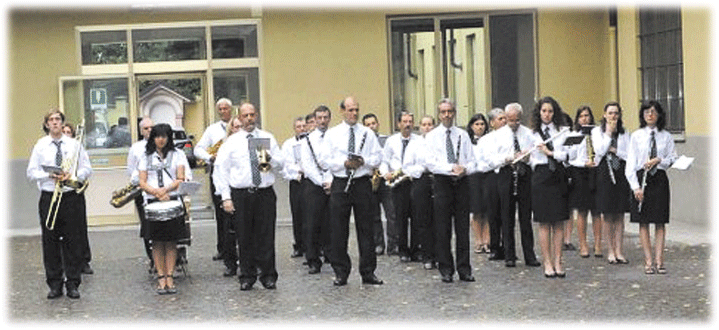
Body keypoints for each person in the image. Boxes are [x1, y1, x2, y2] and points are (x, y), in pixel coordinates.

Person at [215, 102, 284, 290]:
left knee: (266, 236)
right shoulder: (232, 142)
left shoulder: (266, 137)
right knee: (244, 236)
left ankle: (268, 275)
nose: (249, 119)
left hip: (264, 192)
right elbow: (222, 170)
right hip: (242, 194)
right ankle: (247, 275)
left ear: (257, 115)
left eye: (252, 115)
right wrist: (226, 197)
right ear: (239, 117)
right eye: (245, 116)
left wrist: (269, 156)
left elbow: (280, 164)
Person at [319, 96, 384, 286]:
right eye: (350, 110)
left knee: (366, 228)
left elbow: (378, 157)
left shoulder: (367, 133)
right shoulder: (332, 134)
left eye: (356, 110)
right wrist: (344, 163)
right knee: (339, 229)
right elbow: (324, 160)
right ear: (342, 111)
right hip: (341, 182)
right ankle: (341, 271)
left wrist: (364, 161)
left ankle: (368, 271)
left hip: (362, 182)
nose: (354, 113)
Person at [28, 109, 92, 299]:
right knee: (50, 241)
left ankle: (73, 283)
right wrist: (49, 175)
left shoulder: (74, 144)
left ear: (62, 123)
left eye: (58, 119)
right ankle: (54, 284)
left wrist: (73, 176)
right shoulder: (40, 146)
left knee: (73, 241)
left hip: (70, 196)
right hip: (49, 196)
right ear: (47, 124)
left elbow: (87, 168)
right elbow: (31, 172)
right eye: (51, 120)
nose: (55, 123)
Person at [425, 99, 476, 283]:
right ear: (439, 114)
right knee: (442, 228)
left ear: (454, 113)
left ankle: (464, 269)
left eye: (450, 111)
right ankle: (446, 268)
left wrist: (464, 169)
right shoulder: (431, 137)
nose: (447, 115)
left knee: (462, 229)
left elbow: (472, 161)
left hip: (462, 183)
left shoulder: (463, 135)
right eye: (443, 112)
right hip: (442, 182)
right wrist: (450, 168)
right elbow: (430, 163)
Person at [484, 103, 540, 268]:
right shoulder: (498, 135)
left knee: (525, 217)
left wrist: (527, 158)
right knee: (506, 216)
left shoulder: (528, 134)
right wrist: (507, 158)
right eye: (510, 120)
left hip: (523, 174)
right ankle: (509, 255)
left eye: (516, 120)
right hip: (506, 173)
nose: (513, 123)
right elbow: (491, 159)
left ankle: (529, 255)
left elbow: (535, 156)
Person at [626, 101, 677, 275]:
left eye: (654, 112)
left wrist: (659, 160)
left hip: (659, 179)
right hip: (643, 178)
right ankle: (648, 261)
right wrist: (635, 188)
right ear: (642, 115)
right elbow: (630, 165)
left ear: (659, 115)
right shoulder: (636, 136)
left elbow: (673, 158)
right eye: (647, 112)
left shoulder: (666, 136)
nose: (650, 115)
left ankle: (659, 260)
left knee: (660, 221)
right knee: (644, 221)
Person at [137, 123, 189, 294]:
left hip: (172, 198)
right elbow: (142, 181)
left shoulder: (178, 155)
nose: (161, 139)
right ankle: (161, 276)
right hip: (153, 200)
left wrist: (166, 190)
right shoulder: (146, 156)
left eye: (164, 136)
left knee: (171, 241)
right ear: (153, 138)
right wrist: (156, 193)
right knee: (157, 241)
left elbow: (180, 177)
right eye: (158, 136)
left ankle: (170, 276)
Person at [530, 96, 574, 278]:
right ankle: (547, 261)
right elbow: (530, 159)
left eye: (550, 111)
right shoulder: (531, 134)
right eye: (543, 111)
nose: (547, 115)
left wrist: (550, 152)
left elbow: (568, 154)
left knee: (558, 221)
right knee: (544, 222)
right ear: (539, 113)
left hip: (558, 176)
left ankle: (558, 260)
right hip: (541, 177)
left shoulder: (563, 131)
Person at [194, 98, 234, 266]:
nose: (223, 111)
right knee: (221, 214)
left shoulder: (238, 126)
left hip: (237, 175)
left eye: (226, 108)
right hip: (218, 173)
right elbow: (197, 149)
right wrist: (210, 156)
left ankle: (237, 247)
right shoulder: (212, 130)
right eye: (220, 109)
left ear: (231, 110)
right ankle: (223, 248)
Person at [593, 102, 631, 265]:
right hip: (604, 173)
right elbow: (600, 150)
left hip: (620, 172)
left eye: (616, 113)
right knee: (608, 214)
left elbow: (629, 154)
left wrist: (616, 151)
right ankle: (610, 250)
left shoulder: (625, 133)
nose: (613, 116)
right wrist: (609, 133)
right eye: (610, 113)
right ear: (604, 115)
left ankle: (619, 250)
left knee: (620, 214)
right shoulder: (597, 131)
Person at [379, 111, 420, 262]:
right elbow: (384, 161)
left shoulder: (419, 141)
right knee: (400, 217)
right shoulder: (391, 141)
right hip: (397, 183)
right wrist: (386, 173)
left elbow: (421, 162)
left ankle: (416, 249)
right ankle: (402, 249)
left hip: (413, 180)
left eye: (410, 121)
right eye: (404, 121)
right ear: (398, 124)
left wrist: (409, 172)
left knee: (416, 217)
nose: (408, 124)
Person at [300, 105, 333, 274]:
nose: (322, 121)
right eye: (319, 118)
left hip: (333, 184)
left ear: (329, 118)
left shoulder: (335, 137)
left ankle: (331, 254)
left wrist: (331, 181)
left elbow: (337, 160)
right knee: (311, 223)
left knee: (332, 223)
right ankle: (313, 259)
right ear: (315, 119)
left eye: (325, 117)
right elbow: (307, 165)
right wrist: (322, 182)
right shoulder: (307, 139)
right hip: (313, 185)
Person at [565, 106, 601, 258]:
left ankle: (598, 244)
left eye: (587, 115)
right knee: (582, 211)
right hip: (580, 172)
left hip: (595, 171)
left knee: (597, 210)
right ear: (577, 119)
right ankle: (583, 244)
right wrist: (583, 163)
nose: (585, 118)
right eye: (581, 116)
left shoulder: (598, 134)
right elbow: (570, 158)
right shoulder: (573, 135)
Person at [403, 115, 436, 269]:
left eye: (430, 124)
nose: (427, 127)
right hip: (420, 181)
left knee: (440, 220)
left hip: (437, 180)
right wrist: (421, 169)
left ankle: (440, 255)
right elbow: (407, 166)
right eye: (424, 124)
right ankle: (427, 255)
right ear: (420, 127)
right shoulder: (414, 144)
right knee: (423, 220)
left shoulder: (439, 141)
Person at [61, 122, 93, 275]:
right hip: (59, 191)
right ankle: (66, 261)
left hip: (74, 191)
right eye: (64, 132)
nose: (66, 134)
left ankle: (84, 260)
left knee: (79, 228)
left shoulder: (77, 147)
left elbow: (87, 168)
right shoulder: (54, 149)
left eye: (69, 132)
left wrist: (75, 176)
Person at [363, 113, 396, 256]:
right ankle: (378, 244)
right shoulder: (362, 142)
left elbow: (389, 158)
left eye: (373, 123)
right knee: (373, 215)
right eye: (368, 124)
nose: (371, 126)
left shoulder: (386, 140)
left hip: (385, 180)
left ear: (378, 124)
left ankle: (393, 244)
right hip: (370, 180)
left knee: (391, 213)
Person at [126, 118, 155, 272]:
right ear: (141, 131)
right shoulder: (136, 148)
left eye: (151, 127)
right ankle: (152, 257)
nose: (149, 130)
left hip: (159, 190)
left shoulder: (162, 144)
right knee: (146, 224)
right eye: (146, 128)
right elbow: (130, 170)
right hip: (142, 191)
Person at [481, 108, 507, 261]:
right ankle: (495, 246)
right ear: (492, 123)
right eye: (500, 119)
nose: (503, 121)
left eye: (504, 118)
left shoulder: (510, 137)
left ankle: (508, 246)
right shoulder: (485, 140)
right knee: (493, 212)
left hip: (505, 175)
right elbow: (486, 161)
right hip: (491, 176)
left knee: (507, 212)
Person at [282, 116, 307, 258]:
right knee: (297, 214)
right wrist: (297, 172)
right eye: (299, 127)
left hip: (310, 180)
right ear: (294, 129)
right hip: (296, 181)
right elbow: (286, 164)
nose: (302, 129)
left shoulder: (311, 142)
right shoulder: (288, 144)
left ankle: (313, 246)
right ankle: (298, 245)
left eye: (304, 126)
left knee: (311, 215)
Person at [466, 113, 491, 254]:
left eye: (482, 124)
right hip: (473, 177)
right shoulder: (467, 141)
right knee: (476, 210)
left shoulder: (489, 140)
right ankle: (478, 240)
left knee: (487, 210)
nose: (480, 127)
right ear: (471, 126)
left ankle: (487, 240)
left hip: (486, 175)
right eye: (477, 124)